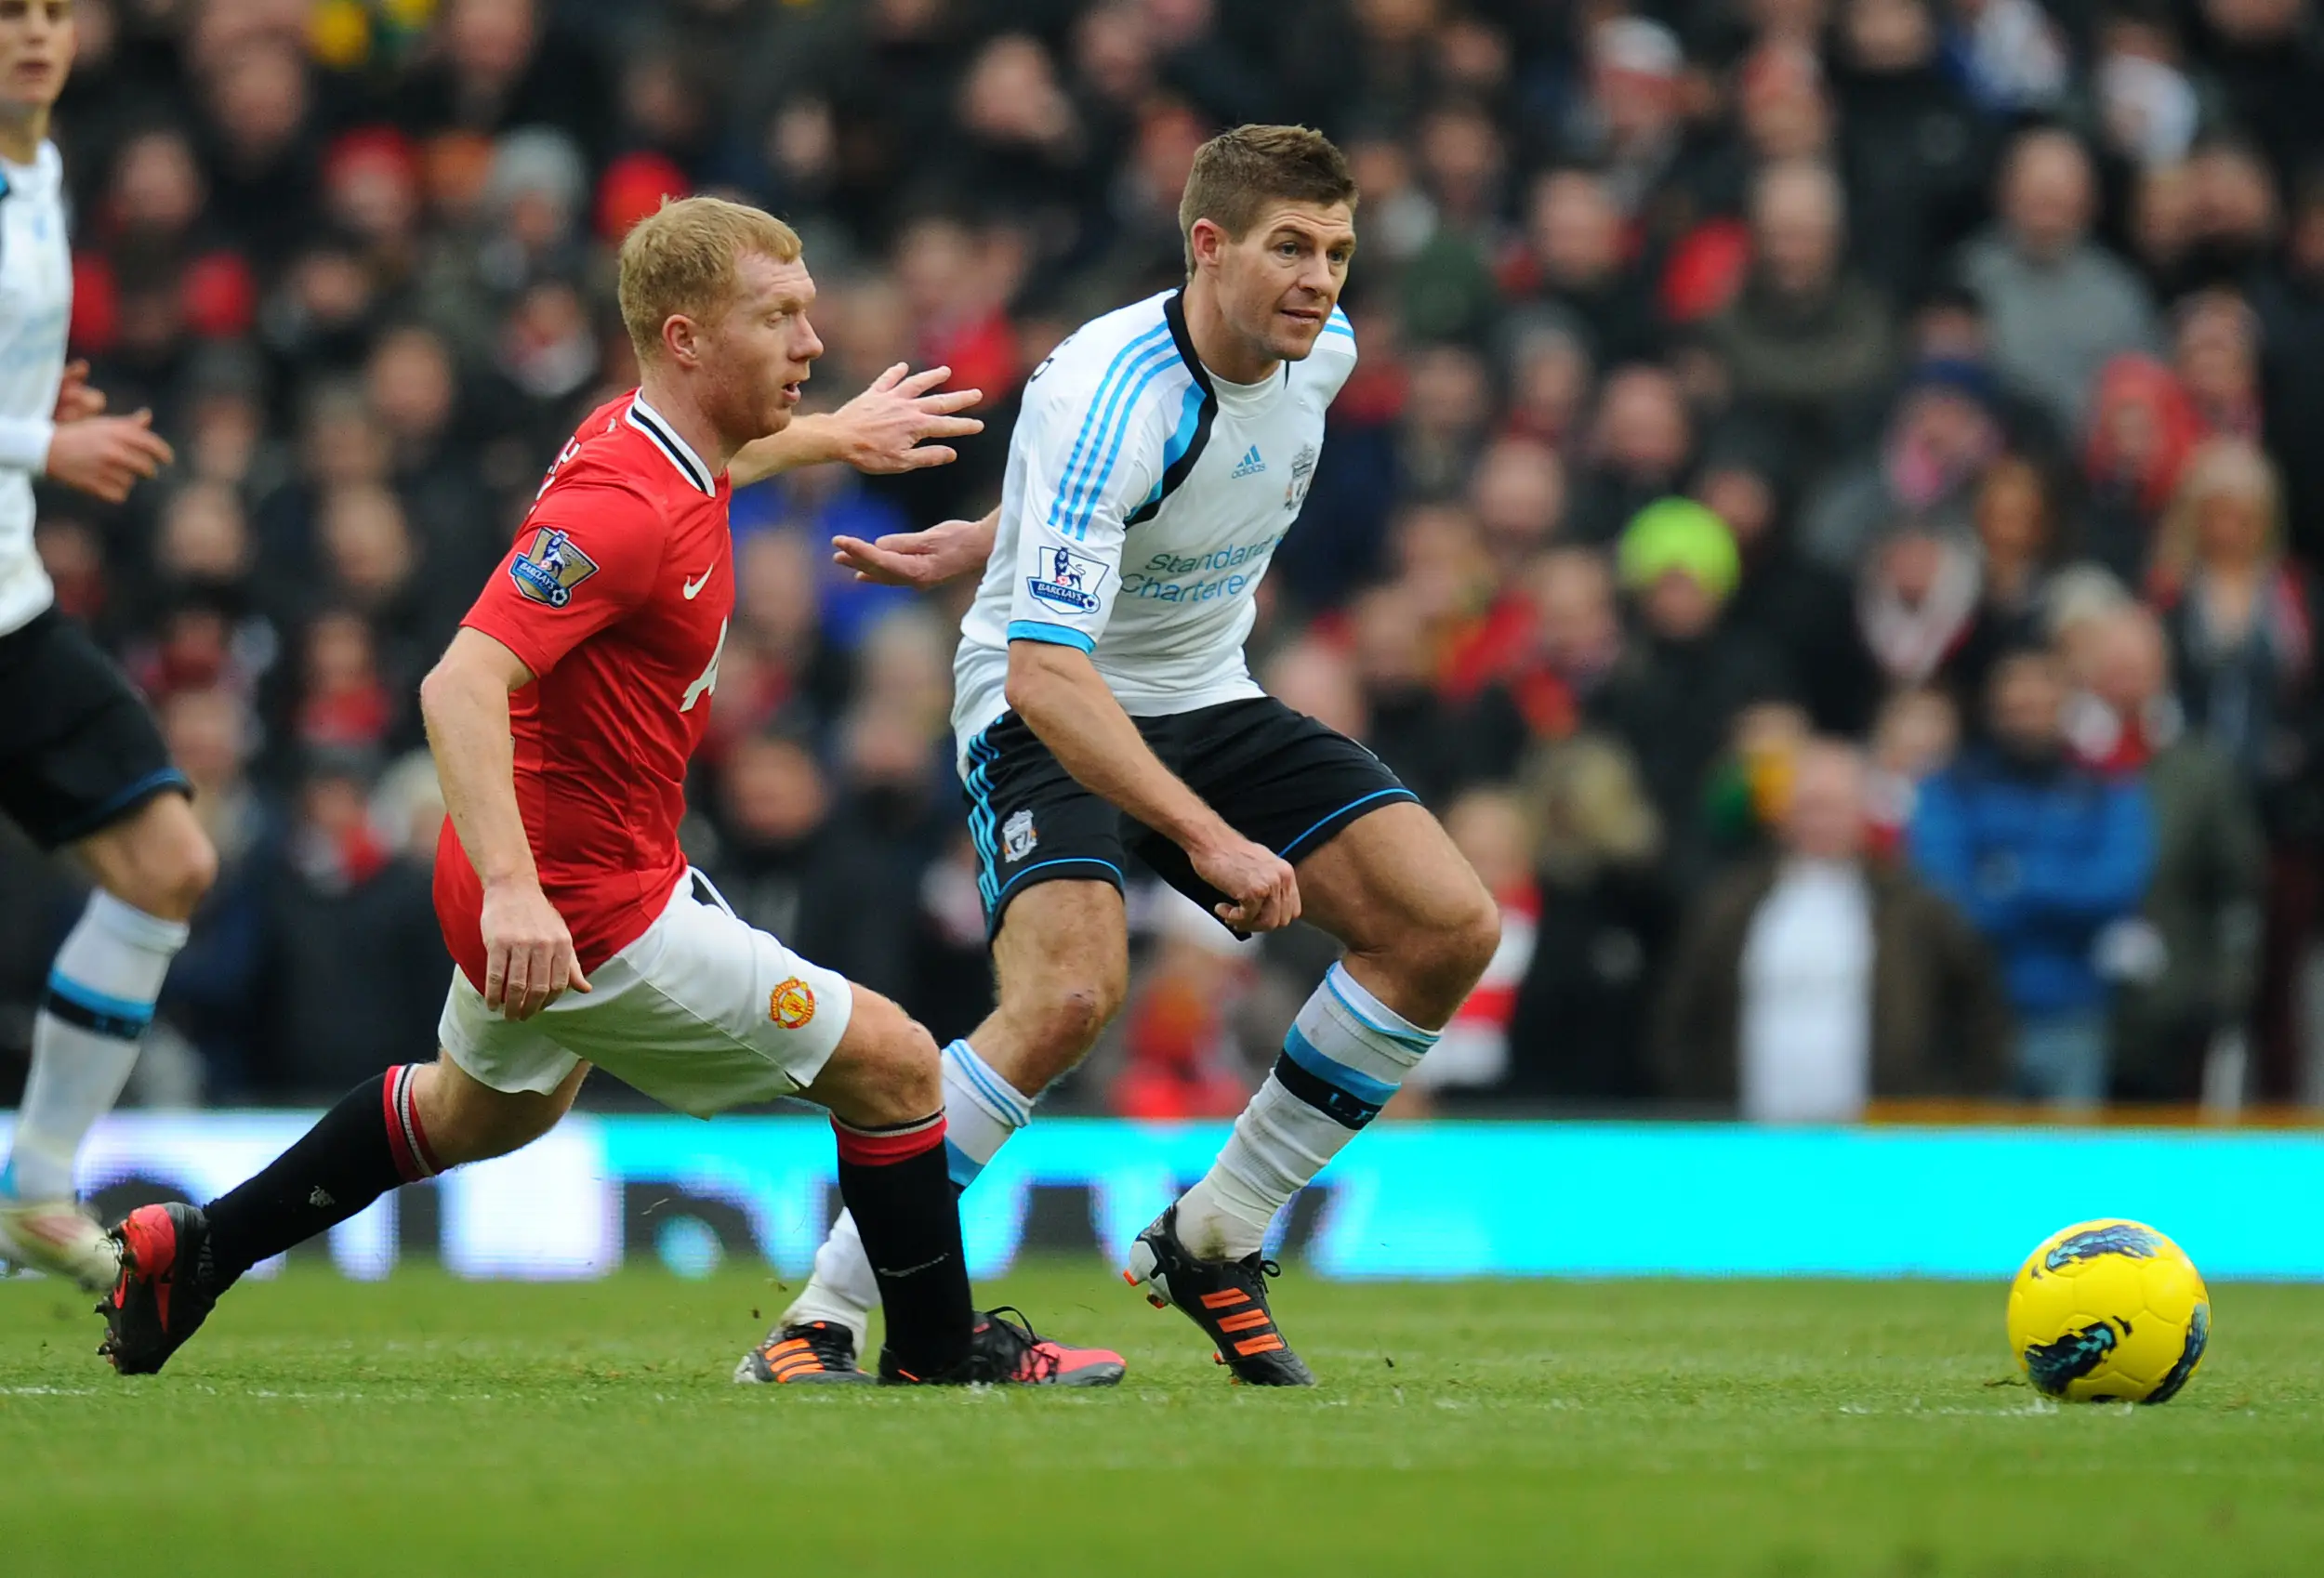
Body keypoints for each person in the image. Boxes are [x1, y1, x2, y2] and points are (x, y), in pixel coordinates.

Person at [95, 196, 1121, 1390]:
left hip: (523, 872)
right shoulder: (623, 509)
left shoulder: (649, 444)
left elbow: (728, 457)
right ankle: (941, 1359)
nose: (810, 342)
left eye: (808, 315)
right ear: (686, 338)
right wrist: (525, 896)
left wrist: (834, 435)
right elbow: (459, 681)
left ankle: (200, 1246)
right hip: (577, 903)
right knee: (894, 1065)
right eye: (778, 317)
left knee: (480, 1116)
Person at [758, 125, 1501, 1387]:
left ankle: (1215, 1233)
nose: (1320, 279)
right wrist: (1209, 839)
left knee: (1447, 925)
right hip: (1046, 695)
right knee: (1067, 994)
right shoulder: (1106, 386)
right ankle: (818, 1315)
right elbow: (1051, 664)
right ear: (1207, 247)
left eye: (1336, 250)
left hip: (1205, 686)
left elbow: (1135, 488)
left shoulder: (1324, 357)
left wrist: (990, 532)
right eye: (1289, 247)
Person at [0, 0, 213, 1292]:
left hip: (9, 605)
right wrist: (40, 443)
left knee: (167, 861)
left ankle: (35, 1184)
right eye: (5, 13)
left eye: (47, 11)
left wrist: (33, 405)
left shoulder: (42, 164)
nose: (31, 33)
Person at [1654, 739, 2011, 1119]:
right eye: (1808, 807)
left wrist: (1943, 1105)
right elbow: (1682, 1016)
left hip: (1882, 1144)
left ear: (1861, 812)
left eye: (1833, 808)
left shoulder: (1916, 908)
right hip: (1750, 1137)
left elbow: (1979, 1014)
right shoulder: (1730, 905)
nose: (1820, 822)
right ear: (1782, 813)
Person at [1909, 647, 2155, 1104]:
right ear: (1990, 709)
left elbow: (2117, 889)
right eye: (2013, 708)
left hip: (2075, 1013)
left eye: (2038, 707)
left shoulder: (2108, 788)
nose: (2025, 719)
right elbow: (1945, 898)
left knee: (2072, 1168)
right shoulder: (1950, 787)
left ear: (2065, 707)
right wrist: (2061, 889)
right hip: (1976, 1018)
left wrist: (2016, 880)